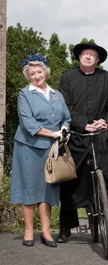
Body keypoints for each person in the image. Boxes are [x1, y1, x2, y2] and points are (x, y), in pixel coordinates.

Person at [56, 42, 108, 243]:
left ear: (98, 59)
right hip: (75, 133)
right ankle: (66, 227)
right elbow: (64, 106)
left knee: (105, 168)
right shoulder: (68, 77)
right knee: (69, 179)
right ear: (79, 57)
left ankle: (101, 205)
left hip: (100, 134)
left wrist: (106, 122)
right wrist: (83, 124)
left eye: (92, 55)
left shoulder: (106, 78)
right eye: (85, 54)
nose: (89, 57)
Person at [11, 54, 71, 247]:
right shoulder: (24, 94)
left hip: (50, 149)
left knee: (47, 188)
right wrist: (52, 134)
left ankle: (46, 232)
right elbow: (28, 123)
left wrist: (63, 129)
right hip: (29, 148)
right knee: (29, 188)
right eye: (32, 73)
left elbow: (66, 118)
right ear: (28, 76)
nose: (37, 76)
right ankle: (28, 231)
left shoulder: (57, 94)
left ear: (46, 72)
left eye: (39, 71)